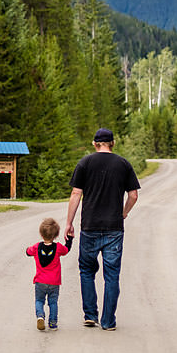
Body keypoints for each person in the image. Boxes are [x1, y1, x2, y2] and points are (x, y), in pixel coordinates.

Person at [64, 128, 140, 332]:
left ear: (94, 143)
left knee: (87, 271)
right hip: (114, 229)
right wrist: (123, 213)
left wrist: (69, 223)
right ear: (113, 143)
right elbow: (133, 196)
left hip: (89, 227)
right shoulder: (123, 164)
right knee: (112, 275)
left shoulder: (85, 163)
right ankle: (108, 321)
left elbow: (75, 194)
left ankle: (90, 315)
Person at [26, 217, 74, 331]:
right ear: (56, 235)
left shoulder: (37, 247)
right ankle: (53, 323)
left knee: (39, 300)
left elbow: (28, 252)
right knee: (53, 302)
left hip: (40, 281)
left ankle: (40, 316)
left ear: (41, 234)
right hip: (54, 282)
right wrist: (70, 238)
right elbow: (67, 249)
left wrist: (28, 249)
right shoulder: (58, 248)